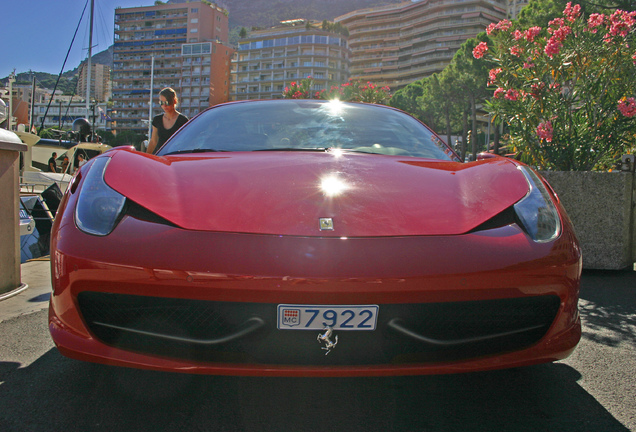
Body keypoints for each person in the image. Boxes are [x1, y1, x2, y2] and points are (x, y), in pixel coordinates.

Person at [146, 87, 188, 154]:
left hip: (175, 157)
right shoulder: (157, 120)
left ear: (174, 101)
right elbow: (153, 141)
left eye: (167, 102)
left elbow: (186, 143)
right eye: (161, 103)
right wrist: (146, 158)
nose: (164, 105)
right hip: (159, 158)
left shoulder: (183, 120)